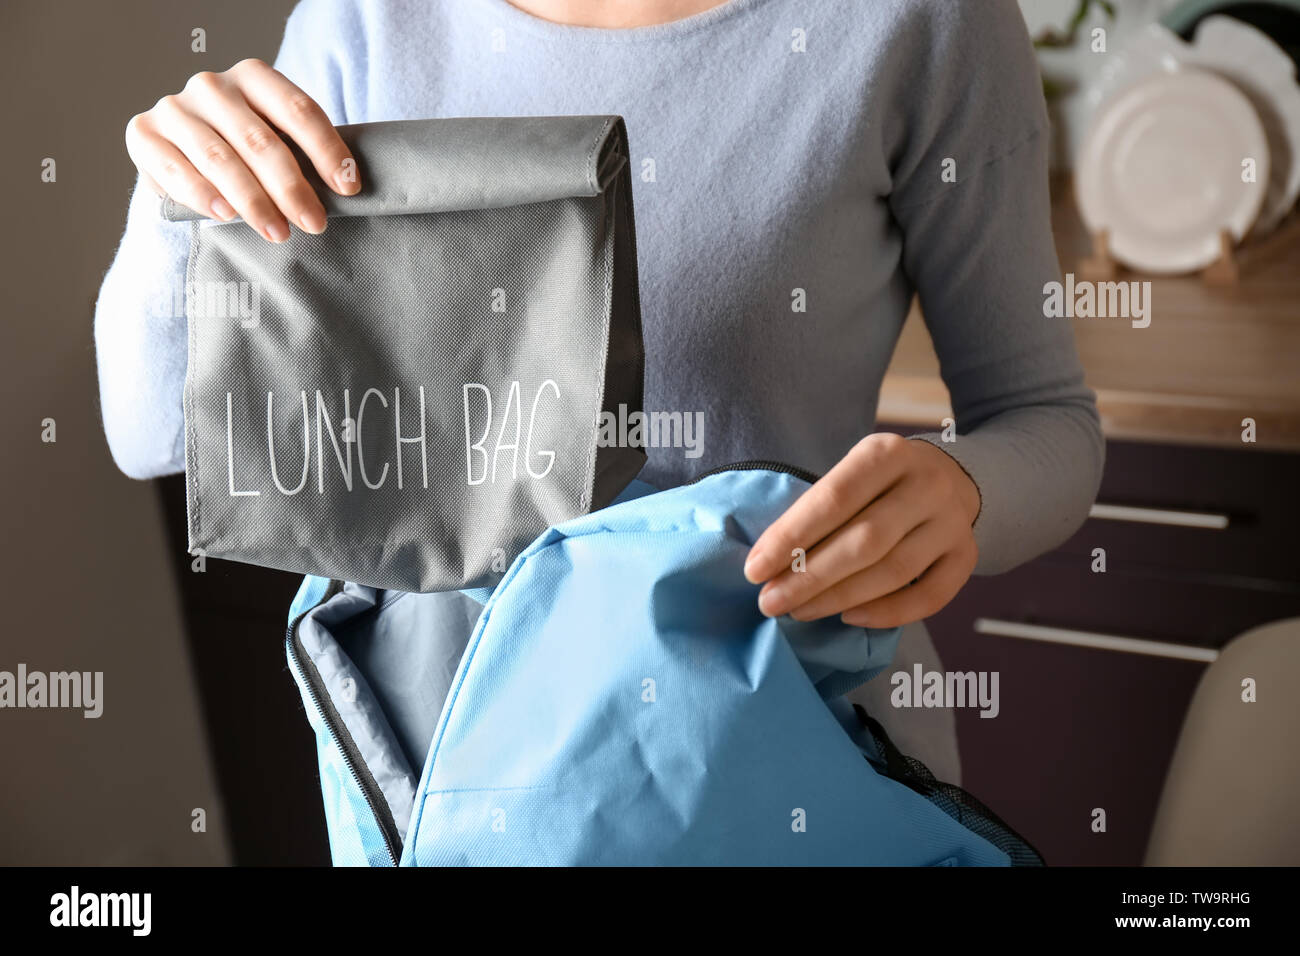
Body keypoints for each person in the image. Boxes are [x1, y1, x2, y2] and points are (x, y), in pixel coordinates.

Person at [95, 0, 1104, 783]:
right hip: (445, 763)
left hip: (794, 749)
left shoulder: (921, 21)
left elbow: (1044, 420)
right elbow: (152, 431)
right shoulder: (365, 20)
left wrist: (959, 490)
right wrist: (173, 196)